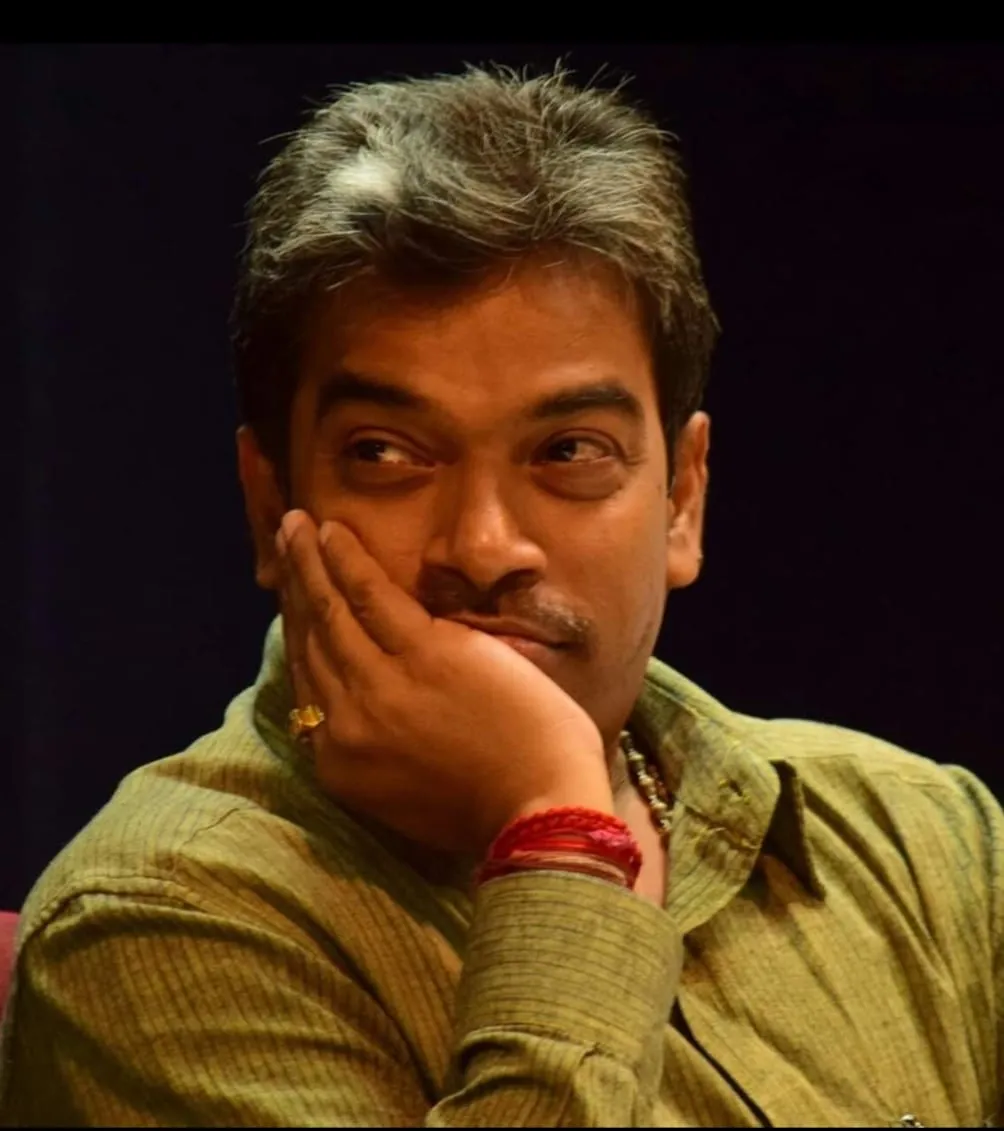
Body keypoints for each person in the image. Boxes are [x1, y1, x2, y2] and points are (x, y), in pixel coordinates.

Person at [0, 63, 1000, 1128]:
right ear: (268, 505)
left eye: (568, 450)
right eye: (387, 454)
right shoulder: (159, 918)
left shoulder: (920, 835)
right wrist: (557, 828)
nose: (483, 548)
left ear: (681, 500)